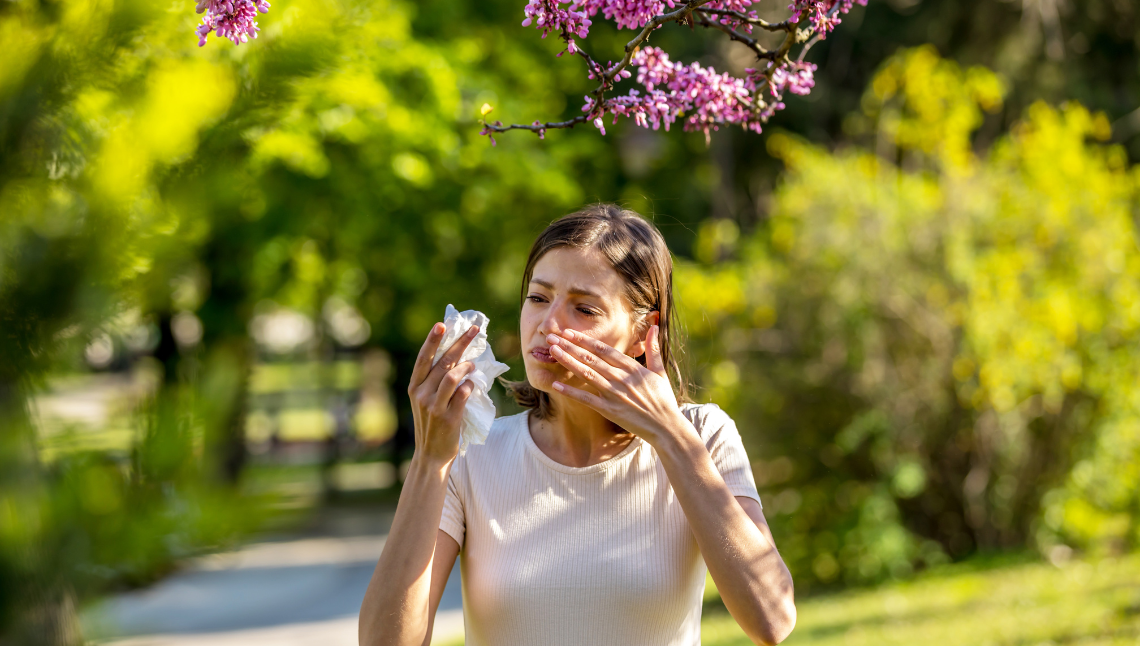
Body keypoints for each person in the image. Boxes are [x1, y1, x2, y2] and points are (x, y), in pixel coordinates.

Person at [359, 204, 796, 646]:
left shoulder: (703, 436)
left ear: (643, 332)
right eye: (538, 298)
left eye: (584, 309)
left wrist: (670, 435)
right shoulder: (474, 454)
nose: (547, 326)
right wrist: (429, 460)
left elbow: (772, 621)